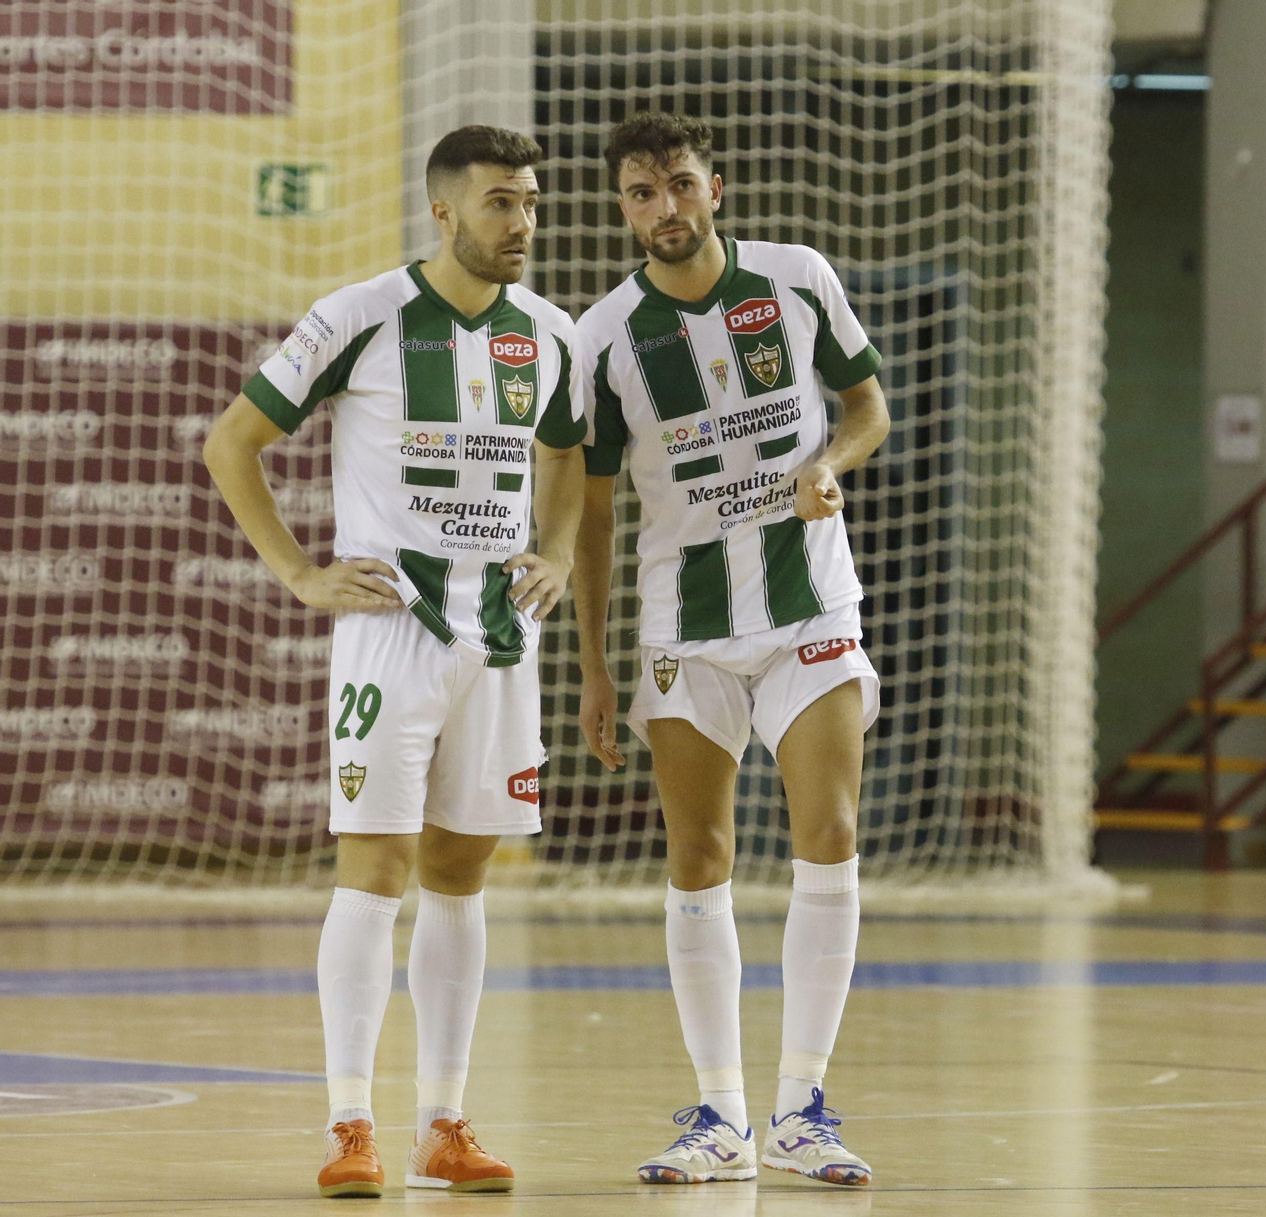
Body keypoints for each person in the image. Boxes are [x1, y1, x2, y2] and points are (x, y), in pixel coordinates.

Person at [203, 125, 586, 1198]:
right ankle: (350, 1123)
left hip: (503, 636)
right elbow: (232, 441)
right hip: (390, 626)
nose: (523, 221)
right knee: (374, 871)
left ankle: (445, 1122)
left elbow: (568, 456)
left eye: (532, 201)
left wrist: (556, 549)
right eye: (502, 202)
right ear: (445, 212)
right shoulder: (359, 314)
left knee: (462, 874)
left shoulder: (550, 334)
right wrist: (297, 573)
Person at [572, 111, 891, 1187]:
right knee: (698, 856)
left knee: (831, 830)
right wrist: (594, 661)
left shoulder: (797, 279)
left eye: (679, 184)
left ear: (718, 187)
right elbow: (596, 511)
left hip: (810, 605)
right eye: (640, 193)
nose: (664, 207)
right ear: (623, 210)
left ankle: (802, 1105)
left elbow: (867, 404)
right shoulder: (601, 337)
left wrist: (836, 460)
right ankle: (720, 1115)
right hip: (683, 629)